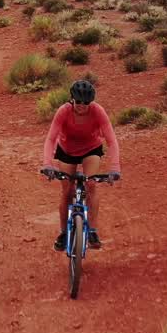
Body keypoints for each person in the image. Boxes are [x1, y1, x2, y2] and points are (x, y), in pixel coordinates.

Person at [39, 79, 121, 250]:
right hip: (67, 151)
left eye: (86, 102)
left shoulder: (98, 112)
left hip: (91, 149)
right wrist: (48, 164)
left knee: (91, 184)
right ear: (72, 99)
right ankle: (63, 233)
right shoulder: (63, 111)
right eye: (78, 101)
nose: (82, 105)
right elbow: (51, 139)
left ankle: (92, 231)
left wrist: (114, 168)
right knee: (67, 190)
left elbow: (111, 141)